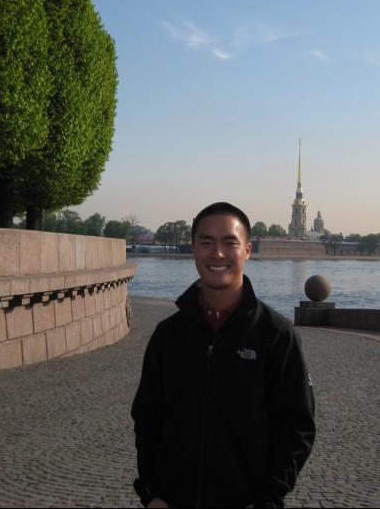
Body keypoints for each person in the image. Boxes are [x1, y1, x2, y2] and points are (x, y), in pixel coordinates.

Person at [131, 202, 316, 508]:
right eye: (206, 243)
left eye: (229, 242)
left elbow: (297, 428)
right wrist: (151, 493)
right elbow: (148, 417)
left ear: (247, 250)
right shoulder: (168, 334)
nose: (217, 254)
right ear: (193, 249)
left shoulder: (277, 335)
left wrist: (267, 499)